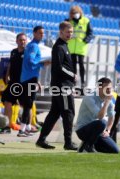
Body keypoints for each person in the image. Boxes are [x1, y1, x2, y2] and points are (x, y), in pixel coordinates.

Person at [36, 21, 77, 150]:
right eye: (67, 32)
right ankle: (68, 143)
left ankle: (41, 140)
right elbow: (59, 67)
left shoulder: (64, 45)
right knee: (68, 112)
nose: (70, 34)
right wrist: (72, 75)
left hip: (62, 85)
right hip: (62, 86)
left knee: (54, 113)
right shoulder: (59, 47)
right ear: (61, 32)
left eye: (71, 32)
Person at [19, 26, 51, 137]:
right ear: (34, 33)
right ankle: (21, 129)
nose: (42, 35)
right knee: (28, 104)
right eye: (40, 33)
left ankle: (27, 127)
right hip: (30, 78)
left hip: (27, 78)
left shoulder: (30, 45)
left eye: (43, 33)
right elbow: (31, 61)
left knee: (28, 103)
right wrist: (44, 63)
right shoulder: (33, 46)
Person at [75, 77, 119, 153]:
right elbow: (100, 116)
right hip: (82, 131)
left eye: (110, 88)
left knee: (115, 150)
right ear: (99, 88)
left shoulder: (109, 101)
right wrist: (107, 102)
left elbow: (111, 117)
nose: (109, 90)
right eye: (107, 88)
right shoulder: (89, 97)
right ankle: (88, 146)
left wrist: (108, 130)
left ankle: (86, 146)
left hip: (98, 131)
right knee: (101, 122)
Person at [66, 5, 93, 88]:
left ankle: (82, 82)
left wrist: (86, 40)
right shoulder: (68, 21)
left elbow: (90, 33)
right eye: (73, 13)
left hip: (81, 46)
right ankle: (73, 81)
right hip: (71, 46)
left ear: (80, 12)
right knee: (72, 64)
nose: (75, 14)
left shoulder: (86, 20)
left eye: (76, 12)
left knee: (81, 64)